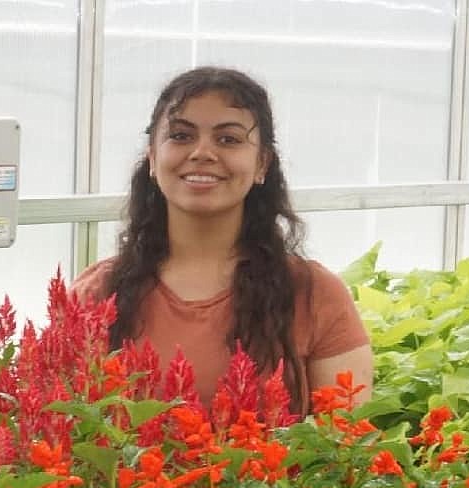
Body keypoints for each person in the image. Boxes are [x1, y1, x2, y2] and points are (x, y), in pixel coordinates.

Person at [71, 66, 373, 415]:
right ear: (153, 158)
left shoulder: (314, 294)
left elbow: (344, 451)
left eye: (228, 139)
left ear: (262, 164)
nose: (202, 152)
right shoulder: (96, 295)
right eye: (181, 136)